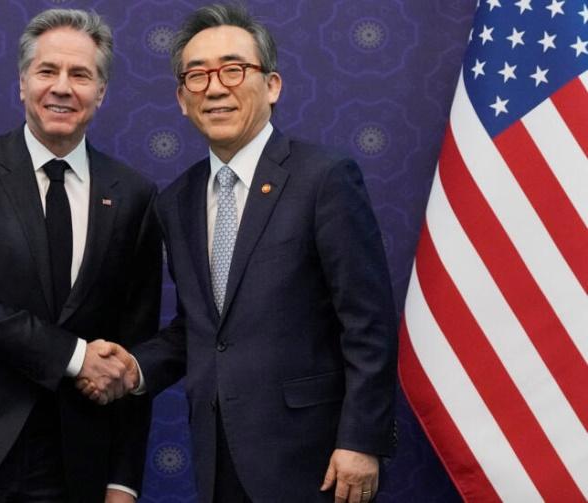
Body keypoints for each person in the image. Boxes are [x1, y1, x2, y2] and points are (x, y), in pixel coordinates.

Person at [79, 4, 397, 503]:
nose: (215, 87)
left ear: (272, 85)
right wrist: (135, 370)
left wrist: (361, 440)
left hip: (316, 462)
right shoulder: (176, 201)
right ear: (182, 99)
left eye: (233, 69)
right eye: (198, 75)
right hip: (216, 457)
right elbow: (201, 328)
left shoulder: (324, 179)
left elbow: (368, 323)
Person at [0, 8, 161, 503]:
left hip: (73, 464)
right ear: (22, 84)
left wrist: (123, 480)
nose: (62, 87)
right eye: (47, 71)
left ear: (100, 92)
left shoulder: (135, 196)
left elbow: (132, 347)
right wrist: (77, 357)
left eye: (80, 74)